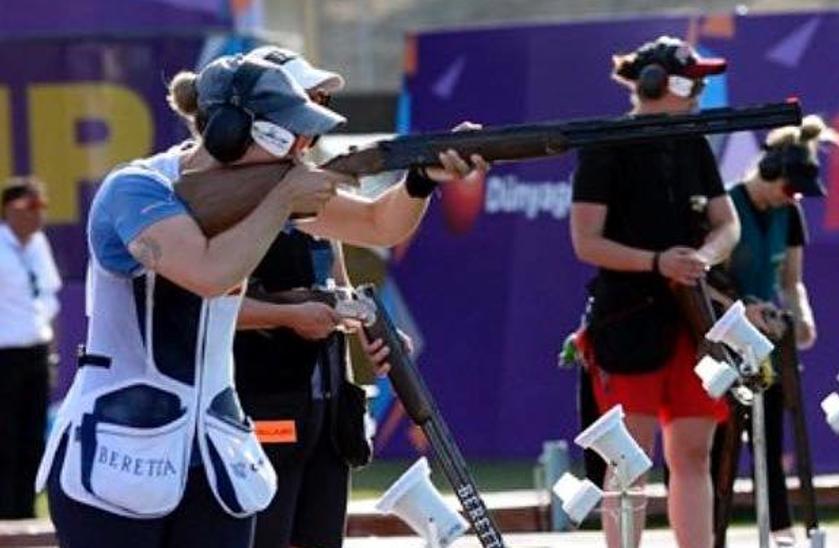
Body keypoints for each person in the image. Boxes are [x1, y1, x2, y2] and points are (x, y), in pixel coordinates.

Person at [34, 54, 482, 548]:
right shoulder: (137, 189)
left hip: (218, 454)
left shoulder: (269, 189)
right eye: (291, 136)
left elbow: (379, 223)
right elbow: (207, 273)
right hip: (119, 453)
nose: (302, 150)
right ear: (231, 133)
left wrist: (419, 180)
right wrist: (283, 202)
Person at [230, 45, 427, 548]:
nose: (316, 111)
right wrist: (292, 316)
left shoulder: (307, 186)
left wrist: (365, 320)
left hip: (325, 408)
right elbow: (204, 306)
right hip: (261, 404)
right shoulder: (223, 193)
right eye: (306, 97)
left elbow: (377, 226)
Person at [569, 36, 740, 548]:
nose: (700, 92)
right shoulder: (606, 146)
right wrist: (656, 262)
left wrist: (703, 259)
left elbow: (726, 224)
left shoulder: (692, 143)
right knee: (629, 459)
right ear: (654, 84)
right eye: (692, 82)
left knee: (692, 453)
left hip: (689, 320)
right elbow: (587, 242)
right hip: (628, 319)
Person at [711, 115, 839, 546]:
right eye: (789, 187)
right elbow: (707, 281)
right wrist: (742, 310)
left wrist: (802, 316)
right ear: (768, 172)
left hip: (767, 343)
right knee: (718, 443)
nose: (793, 198)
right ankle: (709, 534)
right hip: (721, 341)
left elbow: (791, 282)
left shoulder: (791, 214)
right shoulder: (726, 206)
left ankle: (782, 533)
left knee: (770, 438)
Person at [0, 178, 61, 519]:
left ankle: (24, 514)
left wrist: (49, 343)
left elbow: (48, 295)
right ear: (8, 210)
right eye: (28, 208)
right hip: (3, 355)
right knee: (4, 440)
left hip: (34, 353)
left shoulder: (37, 244)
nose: (36, 217)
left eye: (42, 207)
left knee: (32, 439)